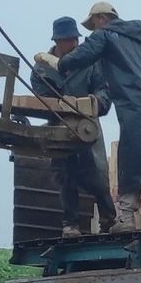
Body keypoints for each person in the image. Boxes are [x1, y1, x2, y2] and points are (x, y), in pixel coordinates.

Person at [34, 2, 141, 233]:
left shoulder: (105, 36)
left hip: (127, 110)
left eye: (93, 26)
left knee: (129, 157)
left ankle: (123, 218)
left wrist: (54, 62)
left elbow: (81, 67)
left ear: (102, 18)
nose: (92, 32)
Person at [31, 16, 116, 237]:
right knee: (64, 174)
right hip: (59, 127)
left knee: (96, 172)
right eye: (70, 40)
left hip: (87, 126)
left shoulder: (90, 62)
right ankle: (71, 224)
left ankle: (109, 218)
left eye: (76, 39)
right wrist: (61, 104)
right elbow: (41, 97)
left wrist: (94, 102)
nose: (75, 44)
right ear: (58, 42)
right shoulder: (42, 69)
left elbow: (104, 90)